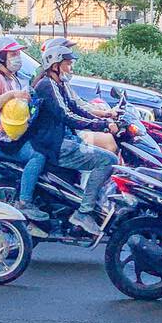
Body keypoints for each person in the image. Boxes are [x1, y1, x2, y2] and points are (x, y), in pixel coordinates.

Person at [28, 38, 119, 236]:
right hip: (54, 145)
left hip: (63, 140)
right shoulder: (47, 85)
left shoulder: (57, 84)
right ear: (55, 65)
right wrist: (103, 125)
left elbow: (78, 108)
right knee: (108, 159)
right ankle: (84, 212)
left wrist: (103, 119)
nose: (71, 67)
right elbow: (67, 115)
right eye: (68, 63)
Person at [0, 38, 47, 221]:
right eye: (13, 54)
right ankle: (24, 201)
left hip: (9, 135)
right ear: (1, 58)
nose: (17, 58)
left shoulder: (12, 78)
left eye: (18, 54)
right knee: (37, 155)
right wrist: (11, 95)